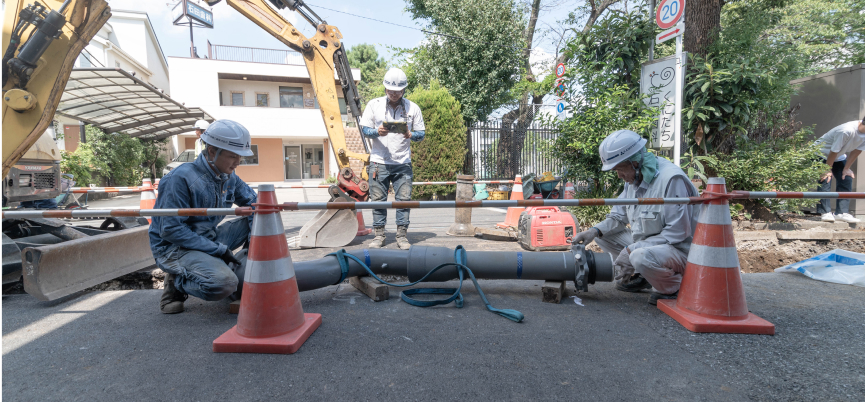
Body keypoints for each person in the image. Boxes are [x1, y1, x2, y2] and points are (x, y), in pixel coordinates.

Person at [571, 130, 699, 305]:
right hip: (650, 246)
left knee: (639, 256)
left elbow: (677, 233)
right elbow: (618, 216)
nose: (618, 176)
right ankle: (645, 275)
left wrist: (630, 251)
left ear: (635, 162)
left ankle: (675, 287)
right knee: (604, 235)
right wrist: (593, 231)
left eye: (619, 169)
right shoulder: (633, 179)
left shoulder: (671, 179)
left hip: (680, 251)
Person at [149, 120, 257, 314]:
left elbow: (254, 204)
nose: (237, 163)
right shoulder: (180, 179)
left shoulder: (227, 176)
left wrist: (253, 246)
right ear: (213, 152)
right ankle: (177, 281)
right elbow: (171, 230)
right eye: (233, 156)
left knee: (263, 220)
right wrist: (218, 250)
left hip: (207, 237)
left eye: (240, 157)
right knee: (224, 284)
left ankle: (236, 267)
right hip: (175, 248)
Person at [359, 67, 426, 250]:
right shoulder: (374, 105)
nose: (394, 94)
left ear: (404, 89)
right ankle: (379, 236)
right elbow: (364, 129)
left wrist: (412, 135)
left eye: (398, 91)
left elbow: (422, 133)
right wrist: (376, 131)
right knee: (378, 200)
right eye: (390, 90)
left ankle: (402, 237)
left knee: (404, 200)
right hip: (379, 161)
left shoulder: (413, 107)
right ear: (385, 88)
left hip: (403, 162)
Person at [813, 117, 865, 223]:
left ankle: (841, 213)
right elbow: (833, 150)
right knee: (826, 178)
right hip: (820, 153)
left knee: (847, 178)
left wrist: (847, 168)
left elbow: (857, 150)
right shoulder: (847, 130)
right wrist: (827, 169)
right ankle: (825, 212)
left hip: (838, 156)